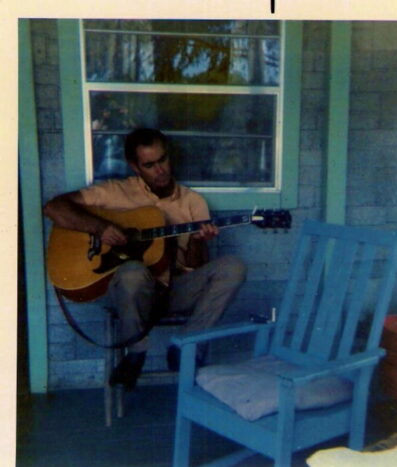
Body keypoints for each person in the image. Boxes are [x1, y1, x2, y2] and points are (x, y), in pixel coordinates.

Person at [44, 128, 247, 389]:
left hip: (174, 291)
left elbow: (197, 268)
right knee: (133, 271)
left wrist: (197, 240)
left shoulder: (193, 202)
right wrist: (100, 229)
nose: (160, 170)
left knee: (234, 267)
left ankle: (186, 345)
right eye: (149, 165)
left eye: (162, 160)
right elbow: (54, 207)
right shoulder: (115, 193)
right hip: (131, 298)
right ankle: (136, 352)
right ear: (134, 166)